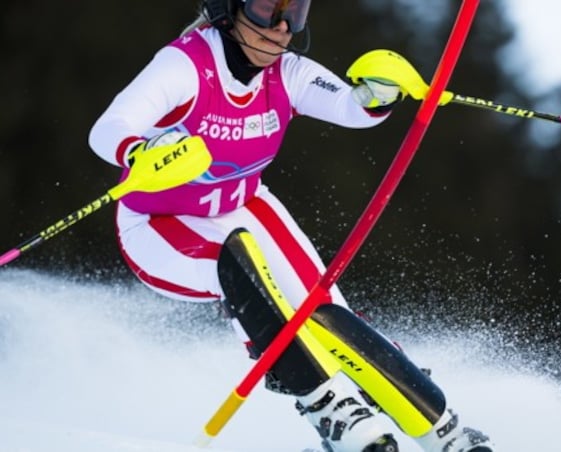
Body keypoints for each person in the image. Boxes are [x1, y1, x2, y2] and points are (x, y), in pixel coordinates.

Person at [89, 1, 495, 451]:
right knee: (241, 265)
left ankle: (438, 426)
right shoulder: (186, 64)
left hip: (242, 205)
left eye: (295, 13)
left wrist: (377, 95)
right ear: (228, 8)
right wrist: (138, 151)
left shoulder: (288, 72)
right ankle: (333, 411)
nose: (281, 28)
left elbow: (349, 107)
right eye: (267, 9)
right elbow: (108, 128)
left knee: (321, 308)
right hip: (159, 223)